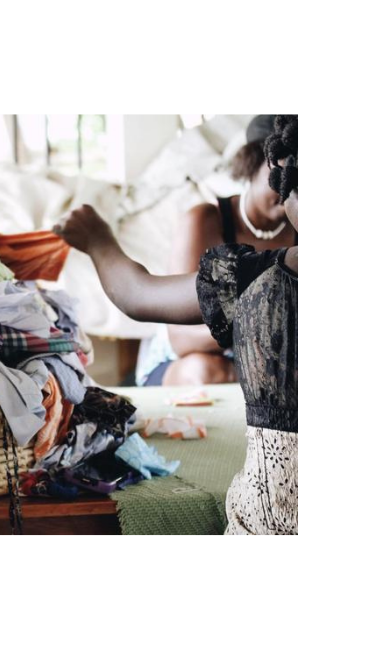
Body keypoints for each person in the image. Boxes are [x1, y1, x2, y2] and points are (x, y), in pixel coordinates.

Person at [53, 114, 298, 536]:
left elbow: (137, 293)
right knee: (203, 369)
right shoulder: (212, 222)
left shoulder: (270, 275)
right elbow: (181, 339)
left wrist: (97, 238)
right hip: (197, 365)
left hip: (270, 519)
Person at [137, 114, 296, 386]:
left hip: (271, 365)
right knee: (204, 371)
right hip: (189, 362)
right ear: (252, 163)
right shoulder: (204, 220)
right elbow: (181, 338)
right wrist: (260, 330)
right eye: (280, 176)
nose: (287, 190)